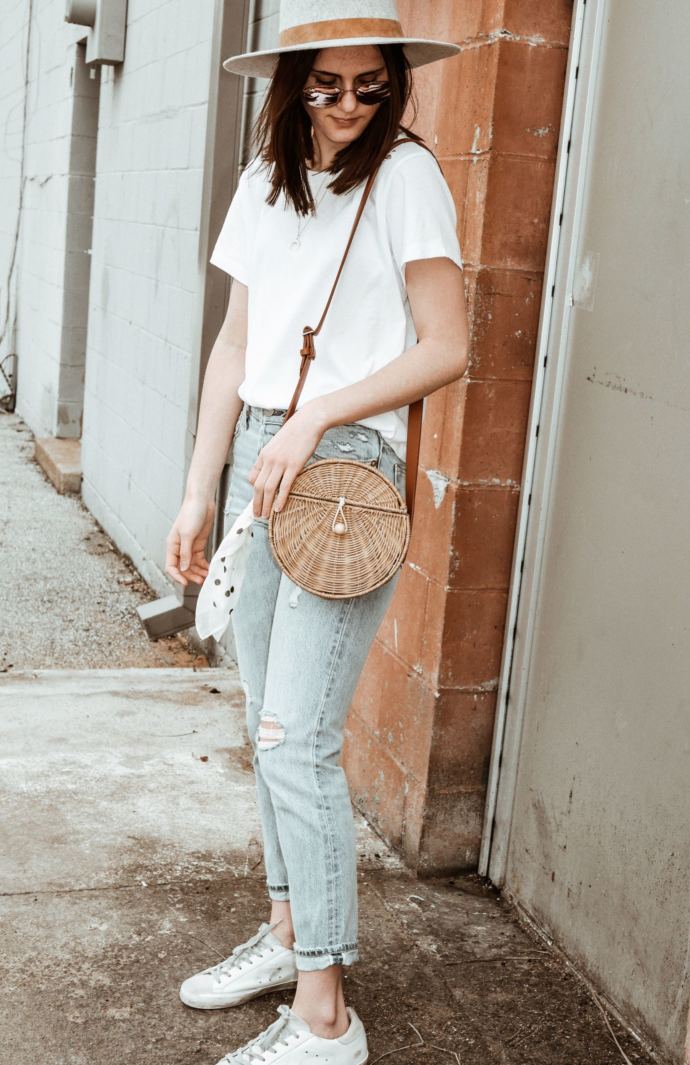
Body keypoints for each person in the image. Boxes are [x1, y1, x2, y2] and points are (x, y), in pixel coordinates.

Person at [164, 3, 467, 1062]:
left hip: (344, 467)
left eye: (368, 86)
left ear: (394, 85)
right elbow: (234, 341)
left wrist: (320, 415)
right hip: (258, 454)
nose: (346, 106)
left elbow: (447, 345)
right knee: (267, 726)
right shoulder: (263, 185)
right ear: (291, 87)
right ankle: (289, 933)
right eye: (325, 86)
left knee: (300, 739)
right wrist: (201, 487)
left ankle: (326, 1014)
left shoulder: (407, 179)